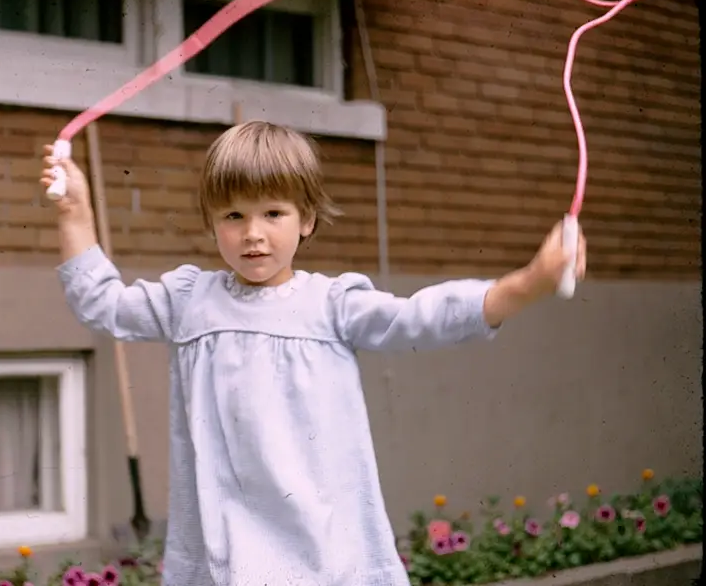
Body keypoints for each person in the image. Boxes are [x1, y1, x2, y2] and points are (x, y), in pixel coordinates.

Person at [40, 120, 587, 586]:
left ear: (306, 219)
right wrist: (75, 215)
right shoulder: (189, 303)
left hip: (322, 549)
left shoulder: (332, 305)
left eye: (272, 214)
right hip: (226, 546)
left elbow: (420, 318)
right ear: (211, 221)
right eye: (233, 216)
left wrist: (525, 285)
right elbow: (101, 303)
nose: (253, 234)